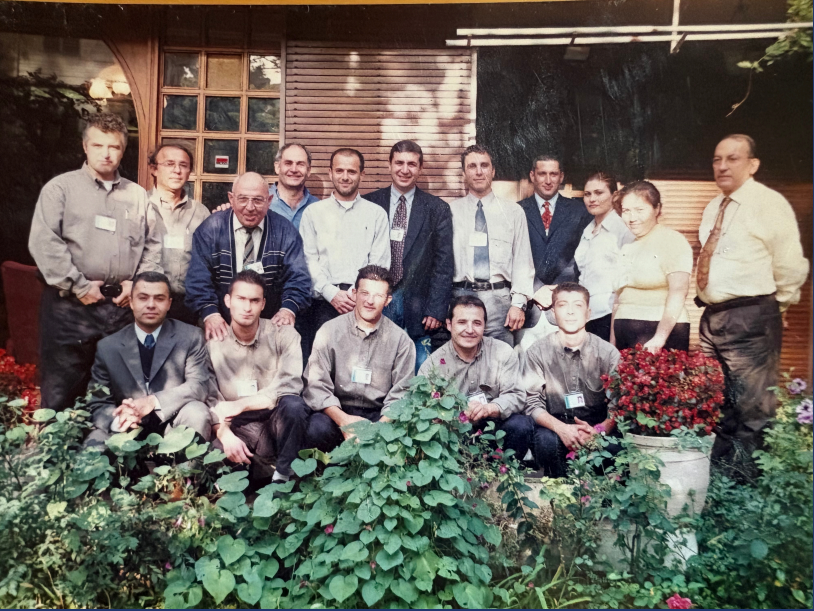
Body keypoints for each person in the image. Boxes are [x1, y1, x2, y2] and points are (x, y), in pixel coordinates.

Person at [29, 112, 164, 410]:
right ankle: (55, 440)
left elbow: (154, 245)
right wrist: (78, 285)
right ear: (85, 147)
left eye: (114, 146)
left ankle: (109, 441)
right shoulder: (60, 189)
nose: (106, 153)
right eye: (98, 145)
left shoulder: (138, 196)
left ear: (123, 150)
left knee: (122, 394)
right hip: (70, 308)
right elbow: (44, 242)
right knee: (62, 393)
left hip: (121, 308)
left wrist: (138, 285)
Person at [696, 134, 808, 461]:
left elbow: (790, 265)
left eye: (732, 159)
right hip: (713, 317)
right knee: (720, 406)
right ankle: (722, 482)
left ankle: (747, 485)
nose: (722, 166)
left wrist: (776, 307)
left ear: (753, 164)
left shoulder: (769, 203)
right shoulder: (714, 206)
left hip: (750, 316)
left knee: (753, 410)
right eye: (717, 159)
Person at [85, 272, 214, 445]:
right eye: (143, 298)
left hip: (173, 422)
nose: (151, 305)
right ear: (131, 302)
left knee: (197, 412)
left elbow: (199, 386)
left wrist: (153, 401)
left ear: (169, 304)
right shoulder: (108, 347)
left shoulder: (190, 337)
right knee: (94, 444)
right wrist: (120, 419)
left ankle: (187, 464)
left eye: (159, 299)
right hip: (128, 428)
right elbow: (97, 401)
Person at [207, 270, 310, 486]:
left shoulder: (284, 335)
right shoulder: (213, 345)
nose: (247, 307)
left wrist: (241, 404)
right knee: (214, 459)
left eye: (254, 301)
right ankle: (255, 476)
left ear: (263, 304)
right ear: (228, 301)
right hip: (239, 426)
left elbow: (289, 385)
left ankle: (284, 476)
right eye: (241, 299)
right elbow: (211, 399)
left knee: (294, 405)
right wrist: (225, 435)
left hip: (276, 420)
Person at [185, 172, 311, 342]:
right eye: (243, 199)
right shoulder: (210, 229)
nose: (250, 207)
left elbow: (298, 278)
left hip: (269, 326)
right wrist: (210, 313)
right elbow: (198, 279)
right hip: (220, 325)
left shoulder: (285, 231)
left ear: (269, 200)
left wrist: (288, 309)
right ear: (231, 199)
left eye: (258, 200)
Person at [303, 266, 415, 453]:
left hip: (379, 416)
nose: (370, 301)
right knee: (316, 428)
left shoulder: (401, 341)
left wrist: (377, 429)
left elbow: (401, 394)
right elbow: (316, 386)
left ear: (388, 300)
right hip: (337, 412)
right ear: (354, 293)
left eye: (378, 296)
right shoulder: (329, 331)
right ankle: (325, 469)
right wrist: (344, 421)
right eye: (365, 293)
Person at [365, 140, 454, 370]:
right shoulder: (369, 203)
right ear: (389, 165)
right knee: (378, 365)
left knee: (420, 370)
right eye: (399, 163)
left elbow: (443, 263)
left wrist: (436, 309)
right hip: (379, 300)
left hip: (419, 308)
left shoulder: (437, 209)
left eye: (412, 164)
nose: (405, 170)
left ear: (420, 168)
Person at [298, 148, 391, 360]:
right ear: (330, 172)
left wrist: (357, 294)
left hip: (363, 303)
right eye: (339, 170)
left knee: (361, 364)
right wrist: (331, 293)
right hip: (323, 303)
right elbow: (308, 260)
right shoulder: (313, 213)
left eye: (352, 171)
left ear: (362, 174)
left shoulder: (376, 214)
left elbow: (379, 263)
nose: (345, 177)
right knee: (323, 366)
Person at [522, 283, 621, 478]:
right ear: (553, 312)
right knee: (545, 442)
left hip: (596, 425)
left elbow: (618, 404)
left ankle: (598, 490)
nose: (570, 312)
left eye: (577, 305)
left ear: (588, 313)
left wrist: (598, 430)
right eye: (562, 305)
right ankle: (557, 487)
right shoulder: (537, 352)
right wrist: (562, 429)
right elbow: (531, 403)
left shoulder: (608, 353)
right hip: (555, 425)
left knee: (616, 447)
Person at [418, 295, 533, 459]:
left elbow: (516, 395)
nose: (470, 330)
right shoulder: (432, 365)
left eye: (477, 323)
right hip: (455, 429)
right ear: (449, 325)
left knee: (521, 425)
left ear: (485, 326)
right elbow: (425, 409)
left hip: (493, 425)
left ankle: (504, 470)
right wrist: (456, 413)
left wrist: (488, 408)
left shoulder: (502, 352)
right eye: (462, 322)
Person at [449, 144, 535, 347]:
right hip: (461, 297)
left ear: (493, 171)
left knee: (501, 359)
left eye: (484, 165)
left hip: (499, 301)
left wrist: (518, 305)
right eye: (472, 166)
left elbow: (523, 261)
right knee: (461, 359)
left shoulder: (513, 212)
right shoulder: (449, 212)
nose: (479, 172)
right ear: (464, 173)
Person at [612, 181, 693, 352]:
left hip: (659, 333)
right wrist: (612, 345)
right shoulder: (627, 247)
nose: (632, 218)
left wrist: (660, 338)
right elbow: (618, 301)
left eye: (640, 210)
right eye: (626, 211)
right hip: (625, 332)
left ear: (657, 209)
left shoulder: (672, 240)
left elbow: (678, 291)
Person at [517, 155, 592, 337]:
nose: (548, 180)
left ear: (561, 176)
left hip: (567, 310)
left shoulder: (579, 211)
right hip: (529, 310)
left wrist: (558, 291)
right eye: (542, 174)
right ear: (532, 176)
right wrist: (535, 289)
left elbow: (581, 260)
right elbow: (512, 259)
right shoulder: (517, 211)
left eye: (553, 174)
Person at [147, 143, 210, 325]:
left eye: (183, 165)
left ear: (189, 172)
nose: (177, 170)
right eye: (169, 164)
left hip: (186, 305)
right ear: (154, 169)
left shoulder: (200, 213)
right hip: (148, 302)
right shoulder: (140, 205)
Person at [573, 172, 635, 341]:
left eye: (599, 193)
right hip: (586, 316)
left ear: (614, 195)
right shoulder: (587, 230)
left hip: (609, 316)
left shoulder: (623, 230)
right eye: (587, 194)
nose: (592, 199)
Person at [269, 143, 320, 230]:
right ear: (277, 167)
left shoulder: (317, 207)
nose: (294, 170)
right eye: (288, 163)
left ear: (308, 170)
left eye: (300, 164)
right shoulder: (261, 202)